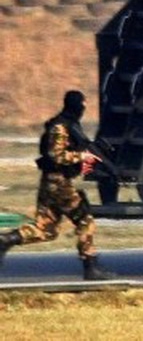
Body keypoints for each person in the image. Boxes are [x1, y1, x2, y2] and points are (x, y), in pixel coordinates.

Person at [0, 91, 115, 280]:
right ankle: (90, 267)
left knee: (46, 230)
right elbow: (56, 155)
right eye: (82, 104)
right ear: (76, 105)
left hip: (53, 182)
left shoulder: (69, 125)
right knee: (85, 220)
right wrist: (81, 157)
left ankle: (7, 239)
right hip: (58, 182)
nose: (84, 107)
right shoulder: (60, 127)